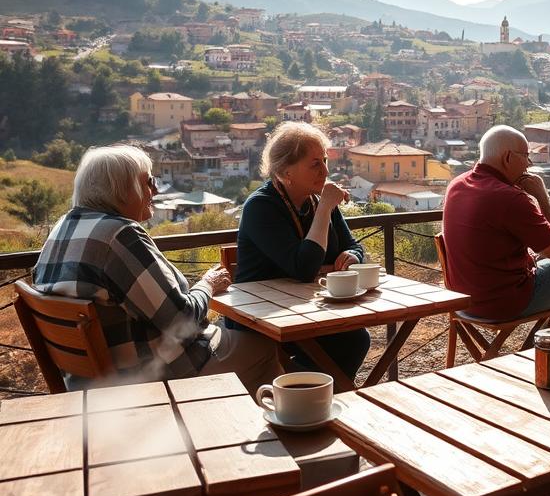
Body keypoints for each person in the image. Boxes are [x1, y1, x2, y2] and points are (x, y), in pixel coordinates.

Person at [33, 145, 282, 392]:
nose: (155, 189)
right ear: (121, 187)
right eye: (148, 181)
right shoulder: (120, 235)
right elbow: (180, 320)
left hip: (88, 384)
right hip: (150, 378)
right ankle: (272, 426)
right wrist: (207, 284)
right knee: (263, 347)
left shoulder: (63, 228)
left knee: (230, 334)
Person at [442, 125, 550, 364]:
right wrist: (542, 196)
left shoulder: (456, 185)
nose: (529, 164)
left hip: (463, 301)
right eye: (525, 156)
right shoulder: (509, 198)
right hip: (502, 304)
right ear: (508, 157)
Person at [235, 121, 369, 381]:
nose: (325, 171)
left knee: (355, 338)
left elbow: (353, 245)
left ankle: (316, 399)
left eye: (325, 161)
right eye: (315, 164)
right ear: (286, 171)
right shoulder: (261, 207)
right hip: (262, 319)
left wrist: (353, 256)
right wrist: (324, 210)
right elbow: (304, 267)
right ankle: (305, 397)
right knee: (344, 343)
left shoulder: (318, 200)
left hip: (305, 312)